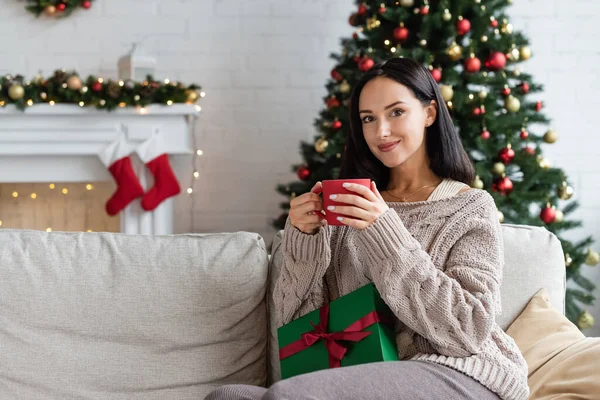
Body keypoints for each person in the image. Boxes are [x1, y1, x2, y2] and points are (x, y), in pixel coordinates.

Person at [205, 58, 529, 400]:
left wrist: (384, 230)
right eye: (368, 119)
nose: (381, 132)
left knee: (291, 396)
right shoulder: (346, 209)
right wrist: (306, 243)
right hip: (367, 373)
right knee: (228, 396)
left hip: (460, 371)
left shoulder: (470, 207)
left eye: (396, 112)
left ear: (430, 113)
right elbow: (305, 337)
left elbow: (469, 330)